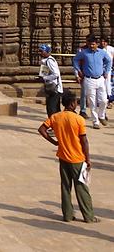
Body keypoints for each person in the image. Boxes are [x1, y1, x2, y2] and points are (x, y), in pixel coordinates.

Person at [38, 90, 99, 223]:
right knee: (81, 187)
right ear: (72, 104)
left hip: (63, 156)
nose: (77, 104)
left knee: (65, 187)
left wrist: (54, 142)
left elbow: (42, 129)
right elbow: (84, 141)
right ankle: (88, 216)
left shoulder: (56, 117)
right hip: (77, 158)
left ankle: (67, 215)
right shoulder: (78, 119)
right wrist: (88, 159)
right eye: (76, 102)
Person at [73, 35, 111, 129]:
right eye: (90, 44)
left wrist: (106, 71)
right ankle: (95, 121)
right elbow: (75, 60)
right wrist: (78, 70)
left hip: (100, 78)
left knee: (104, 100)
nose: (92, 46)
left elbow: (109, 60)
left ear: (97, 44)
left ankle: (101, 115)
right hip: (89, 79)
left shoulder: (102, 52)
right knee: (92, 101)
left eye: (93, 44)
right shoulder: (84, 53)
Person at [39, 44, 63, 119]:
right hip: (50, 88)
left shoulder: (50, 61)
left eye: (42, 51)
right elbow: (44, 73)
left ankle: (54, 125)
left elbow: (56, 74)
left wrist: (45, 78)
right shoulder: (45, 61)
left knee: (52, 109)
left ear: (47, 52)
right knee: (52, 108)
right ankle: (55, 125)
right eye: (40, 51)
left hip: (55, 88)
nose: (40, 53)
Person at [102, 36, 114, 105]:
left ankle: (110, 98)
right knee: (104, 84)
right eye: (102, 41)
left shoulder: (110, 49)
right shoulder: (101, 50)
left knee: (109, 83)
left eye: (104, 41)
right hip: (103, 69)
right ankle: (106, 98)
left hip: (109, 69)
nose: (103, 43)